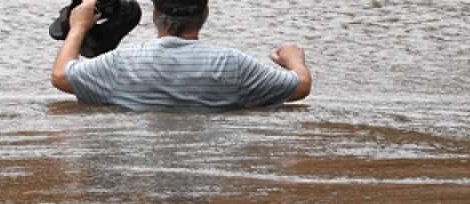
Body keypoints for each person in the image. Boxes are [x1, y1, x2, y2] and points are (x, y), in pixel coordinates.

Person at [51, 0, 312, 111]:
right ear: (205, 14)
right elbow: (300, 87)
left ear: (154, 15)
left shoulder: (123, 62)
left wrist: (79, 27)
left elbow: (62, 76)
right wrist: (294, 60)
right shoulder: (233, 64)